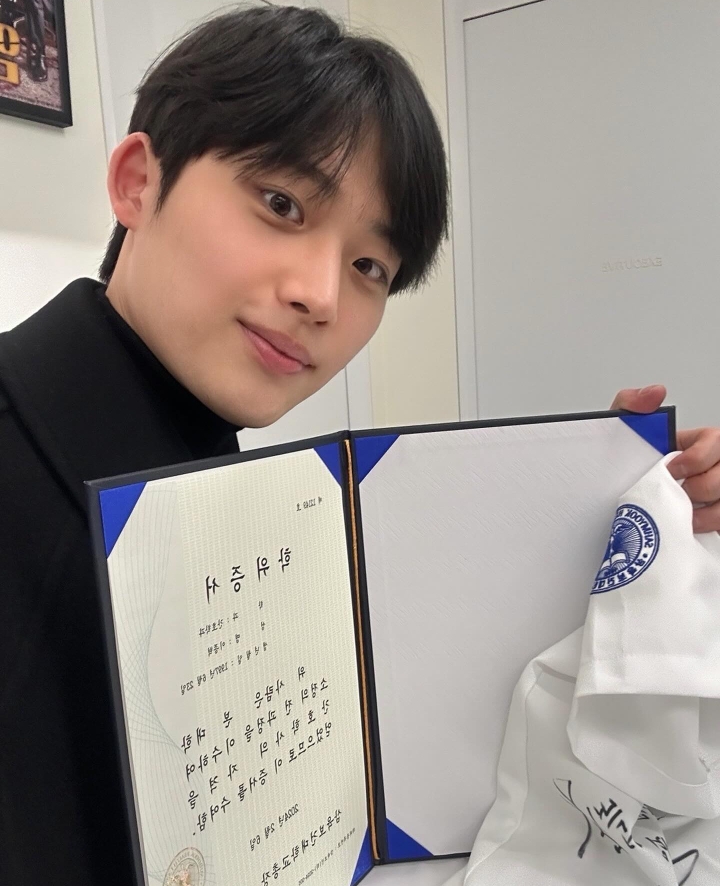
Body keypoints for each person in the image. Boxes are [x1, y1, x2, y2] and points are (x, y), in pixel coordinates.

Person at [0, 4, 718, 884]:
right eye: (281, 204)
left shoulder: (251, 494)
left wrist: (603, 508)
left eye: (369, 267)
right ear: (138, 182)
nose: (323, 297)